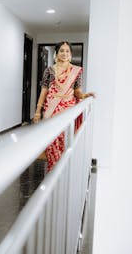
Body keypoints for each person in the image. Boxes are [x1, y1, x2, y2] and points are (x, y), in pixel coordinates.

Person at [33, 41, 95, 172]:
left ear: (71, 54)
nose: (64, 53)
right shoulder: (49, 70)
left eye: (67, 51)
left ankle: (65, 169)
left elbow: (77, 91)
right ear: (57, 53)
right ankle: (53, 168)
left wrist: (84, 95)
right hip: (51, 109)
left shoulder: (76, 71)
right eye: (62, 50)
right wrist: (38, 111)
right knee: (52, 139)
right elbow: (44, 91)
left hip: (68, 109)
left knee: (66, 139)